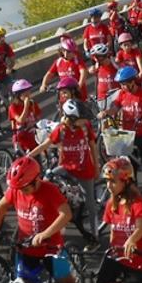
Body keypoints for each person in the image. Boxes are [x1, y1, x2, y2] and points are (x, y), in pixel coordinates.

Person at [0, 157, 84, 283]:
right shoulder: (16, 190)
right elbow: (1, 206)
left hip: (51, 247)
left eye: (25, 189)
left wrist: (45, 234)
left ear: (36, 180)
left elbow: (66, 214)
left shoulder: (50, 190)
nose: (21, 192)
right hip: (27, 247)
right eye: (18, 189)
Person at [29, 99, 98, 239]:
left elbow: (92, 146)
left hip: (84, 170)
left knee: (91, 205)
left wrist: (96, 166)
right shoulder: (60, 130)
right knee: (47, 178)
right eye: (81, 119)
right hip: (66, 168)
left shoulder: (86, 127)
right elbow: (45, 145)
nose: (84, 121)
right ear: (71, 119)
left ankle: (94, 236)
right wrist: (28, 156)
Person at [101, 66, 142, 199]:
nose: (122, 86)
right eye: (121, 84)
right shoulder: (122, 94)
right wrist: (106, 113)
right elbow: (115, 107)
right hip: (128, 135)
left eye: (124, 84)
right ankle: (133, 187)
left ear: (133, 82)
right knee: (130, 162)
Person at [7, 79, 42, 154]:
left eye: (29, 92)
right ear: (18, 95)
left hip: (33, 136)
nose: (28, 95)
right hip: (21, 139)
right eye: (25, 94)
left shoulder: (32, 103)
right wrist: (26, 106)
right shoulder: (13, 107)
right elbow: (20, 120)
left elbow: (38, 116)